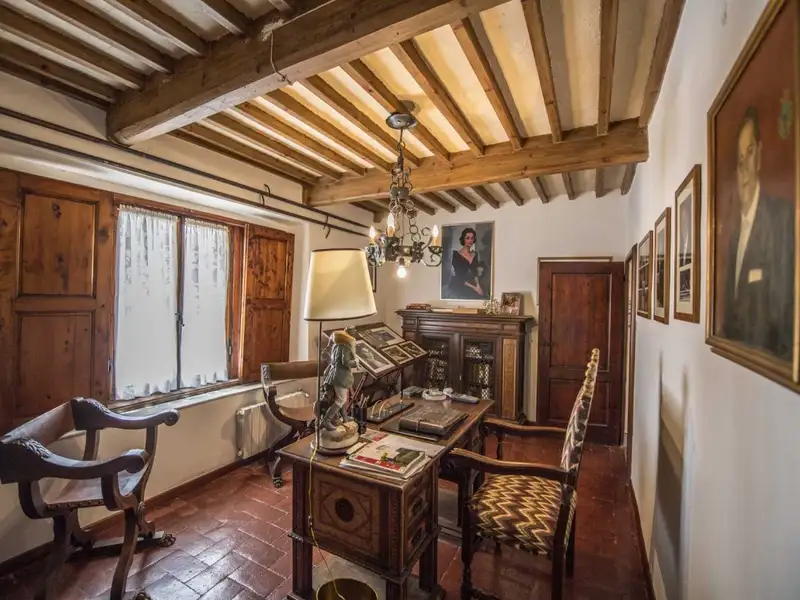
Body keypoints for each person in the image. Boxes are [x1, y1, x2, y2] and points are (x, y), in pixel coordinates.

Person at [722, 106, 795, 360]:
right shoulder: (734, 239)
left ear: (760, 155)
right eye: (739, 159)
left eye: (750, 152)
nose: (745, 168)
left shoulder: (780, 218)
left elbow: (783, 317)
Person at [448, 227, 487, 299]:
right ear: (463, 239)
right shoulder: (456, 255)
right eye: (467, 238)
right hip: (458, 285)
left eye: (472, 238)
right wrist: (474, 288)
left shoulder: (474, 254)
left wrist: (478, 285)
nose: (470, 240)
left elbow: (474, 272)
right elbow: (459, 276)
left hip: (470, 284)